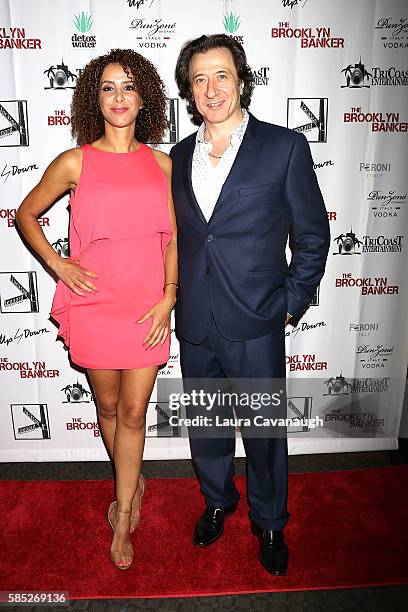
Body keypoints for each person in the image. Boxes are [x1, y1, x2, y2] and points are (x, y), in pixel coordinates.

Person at [170, 34, 330, 576]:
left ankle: (269, 521)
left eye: (221, 76)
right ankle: (217, 501)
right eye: (199, 79)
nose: (211, 89)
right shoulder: (179, 155)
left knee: (264, 434)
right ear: (189, 92)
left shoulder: (283, 147)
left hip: (258, 320)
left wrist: (289, 303)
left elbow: (312, 236)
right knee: (207, 426)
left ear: (242, 81)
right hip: (195, 322)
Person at [16, 49, 178, 570]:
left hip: (147, 309)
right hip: (93, 306)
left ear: (144, 97)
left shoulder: (162, 164)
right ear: (95, 98)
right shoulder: (74, 161)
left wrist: (170, 295)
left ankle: (123, 509)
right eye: (108, 88)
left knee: (134, 414)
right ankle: (130, 478)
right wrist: (59, 265)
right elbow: (26, 213)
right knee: (109, 411)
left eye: (128, 86)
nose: (119, 97)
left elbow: (172, 238)